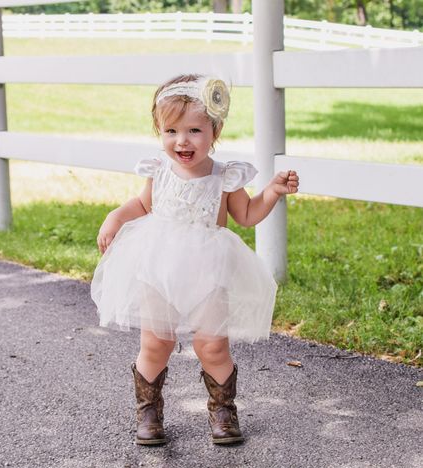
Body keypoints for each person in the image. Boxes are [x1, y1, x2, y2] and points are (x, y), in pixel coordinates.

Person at [91, 74, 299, 446]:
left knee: (212, 345)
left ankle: (223, 409)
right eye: (170, 130)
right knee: (157, 342)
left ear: (214, 130)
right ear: (159, 131)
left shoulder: (225, 176)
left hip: (210, 268)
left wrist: (272, 191)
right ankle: (148, 411)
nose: (182, 141)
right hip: (158, 265)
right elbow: (142, 205)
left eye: (193, 131)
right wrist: (115, 218)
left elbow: (247, 215)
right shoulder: (159, 170)